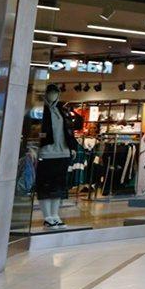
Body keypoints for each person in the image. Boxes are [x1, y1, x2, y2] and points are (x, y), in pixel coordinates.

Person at [34, 84, 84, 228]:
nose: (53, 96)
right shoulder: (39, 111)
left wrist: (72, 147)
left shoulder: (62, 111)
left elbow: (69, 131)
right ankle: (47, 217)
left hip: (63, 153)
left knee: (58, 187)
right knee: (45, 186)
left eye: (55, 93)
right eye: (50, 93)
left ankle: (55, 215)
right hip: (46, 153)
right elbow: (33, 130)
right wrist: (35, 147)